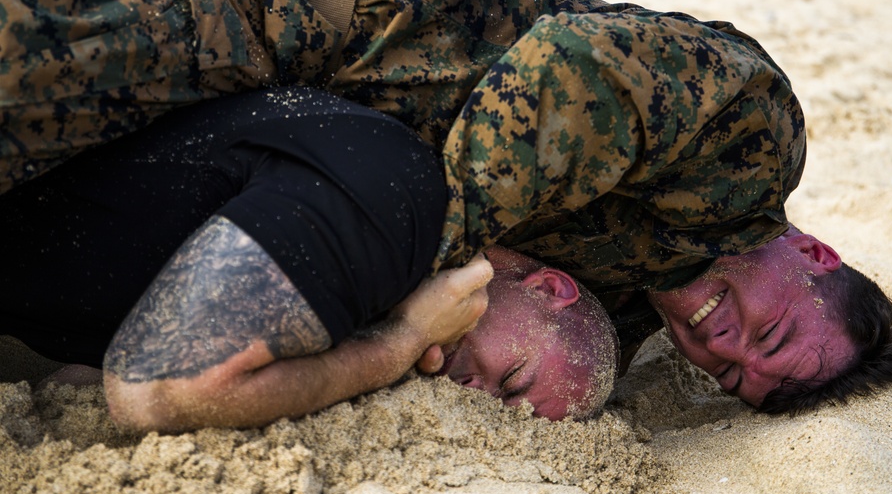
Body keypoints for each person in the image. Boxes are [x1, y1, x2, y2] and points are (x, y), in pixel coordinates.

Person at [0, 0, 892, 416]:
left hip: (240, 115)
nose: (727, 350)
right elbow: (567, 71)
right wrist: (412, 263)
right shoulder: (749, 147)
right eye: (777, 333)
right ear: (815, 255)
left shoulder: (621, 308)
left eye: (733, 379)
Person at [1, 86, 618, 431]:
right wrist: (402, 341)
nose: (480, 396)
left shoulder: (359, 302)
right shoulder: (401, 211)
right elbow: (153, 395)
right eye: (512, 382)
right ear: (550, 288)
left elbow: (76, 378)